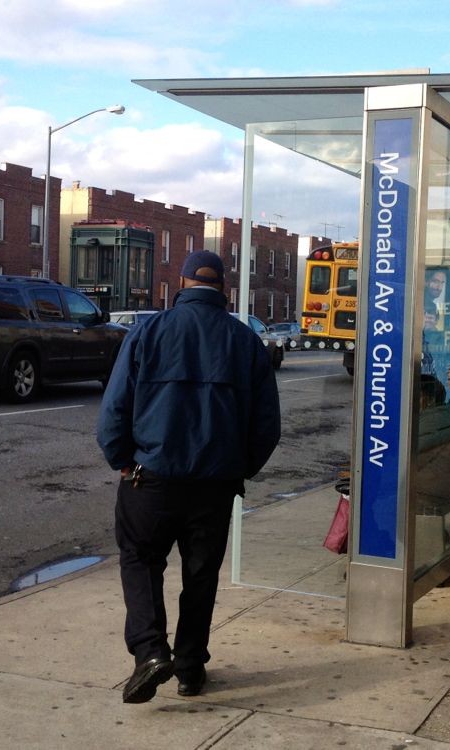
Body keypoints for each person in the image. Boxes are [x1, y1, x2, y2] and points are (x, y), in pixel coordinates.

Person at [96, 250, 281, 704]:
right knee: (201, 575)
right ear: (223, 288)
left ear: (181, 283)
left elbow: (114, 410)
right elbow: (266, 427)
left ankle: (150, 651)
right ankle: (190, 667)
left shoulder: (148, 332)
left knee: (140, 559)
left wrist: (122, 459)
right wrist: (238, 468)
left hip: (151, 478)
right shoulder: (245, 342)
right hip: (215, 484)